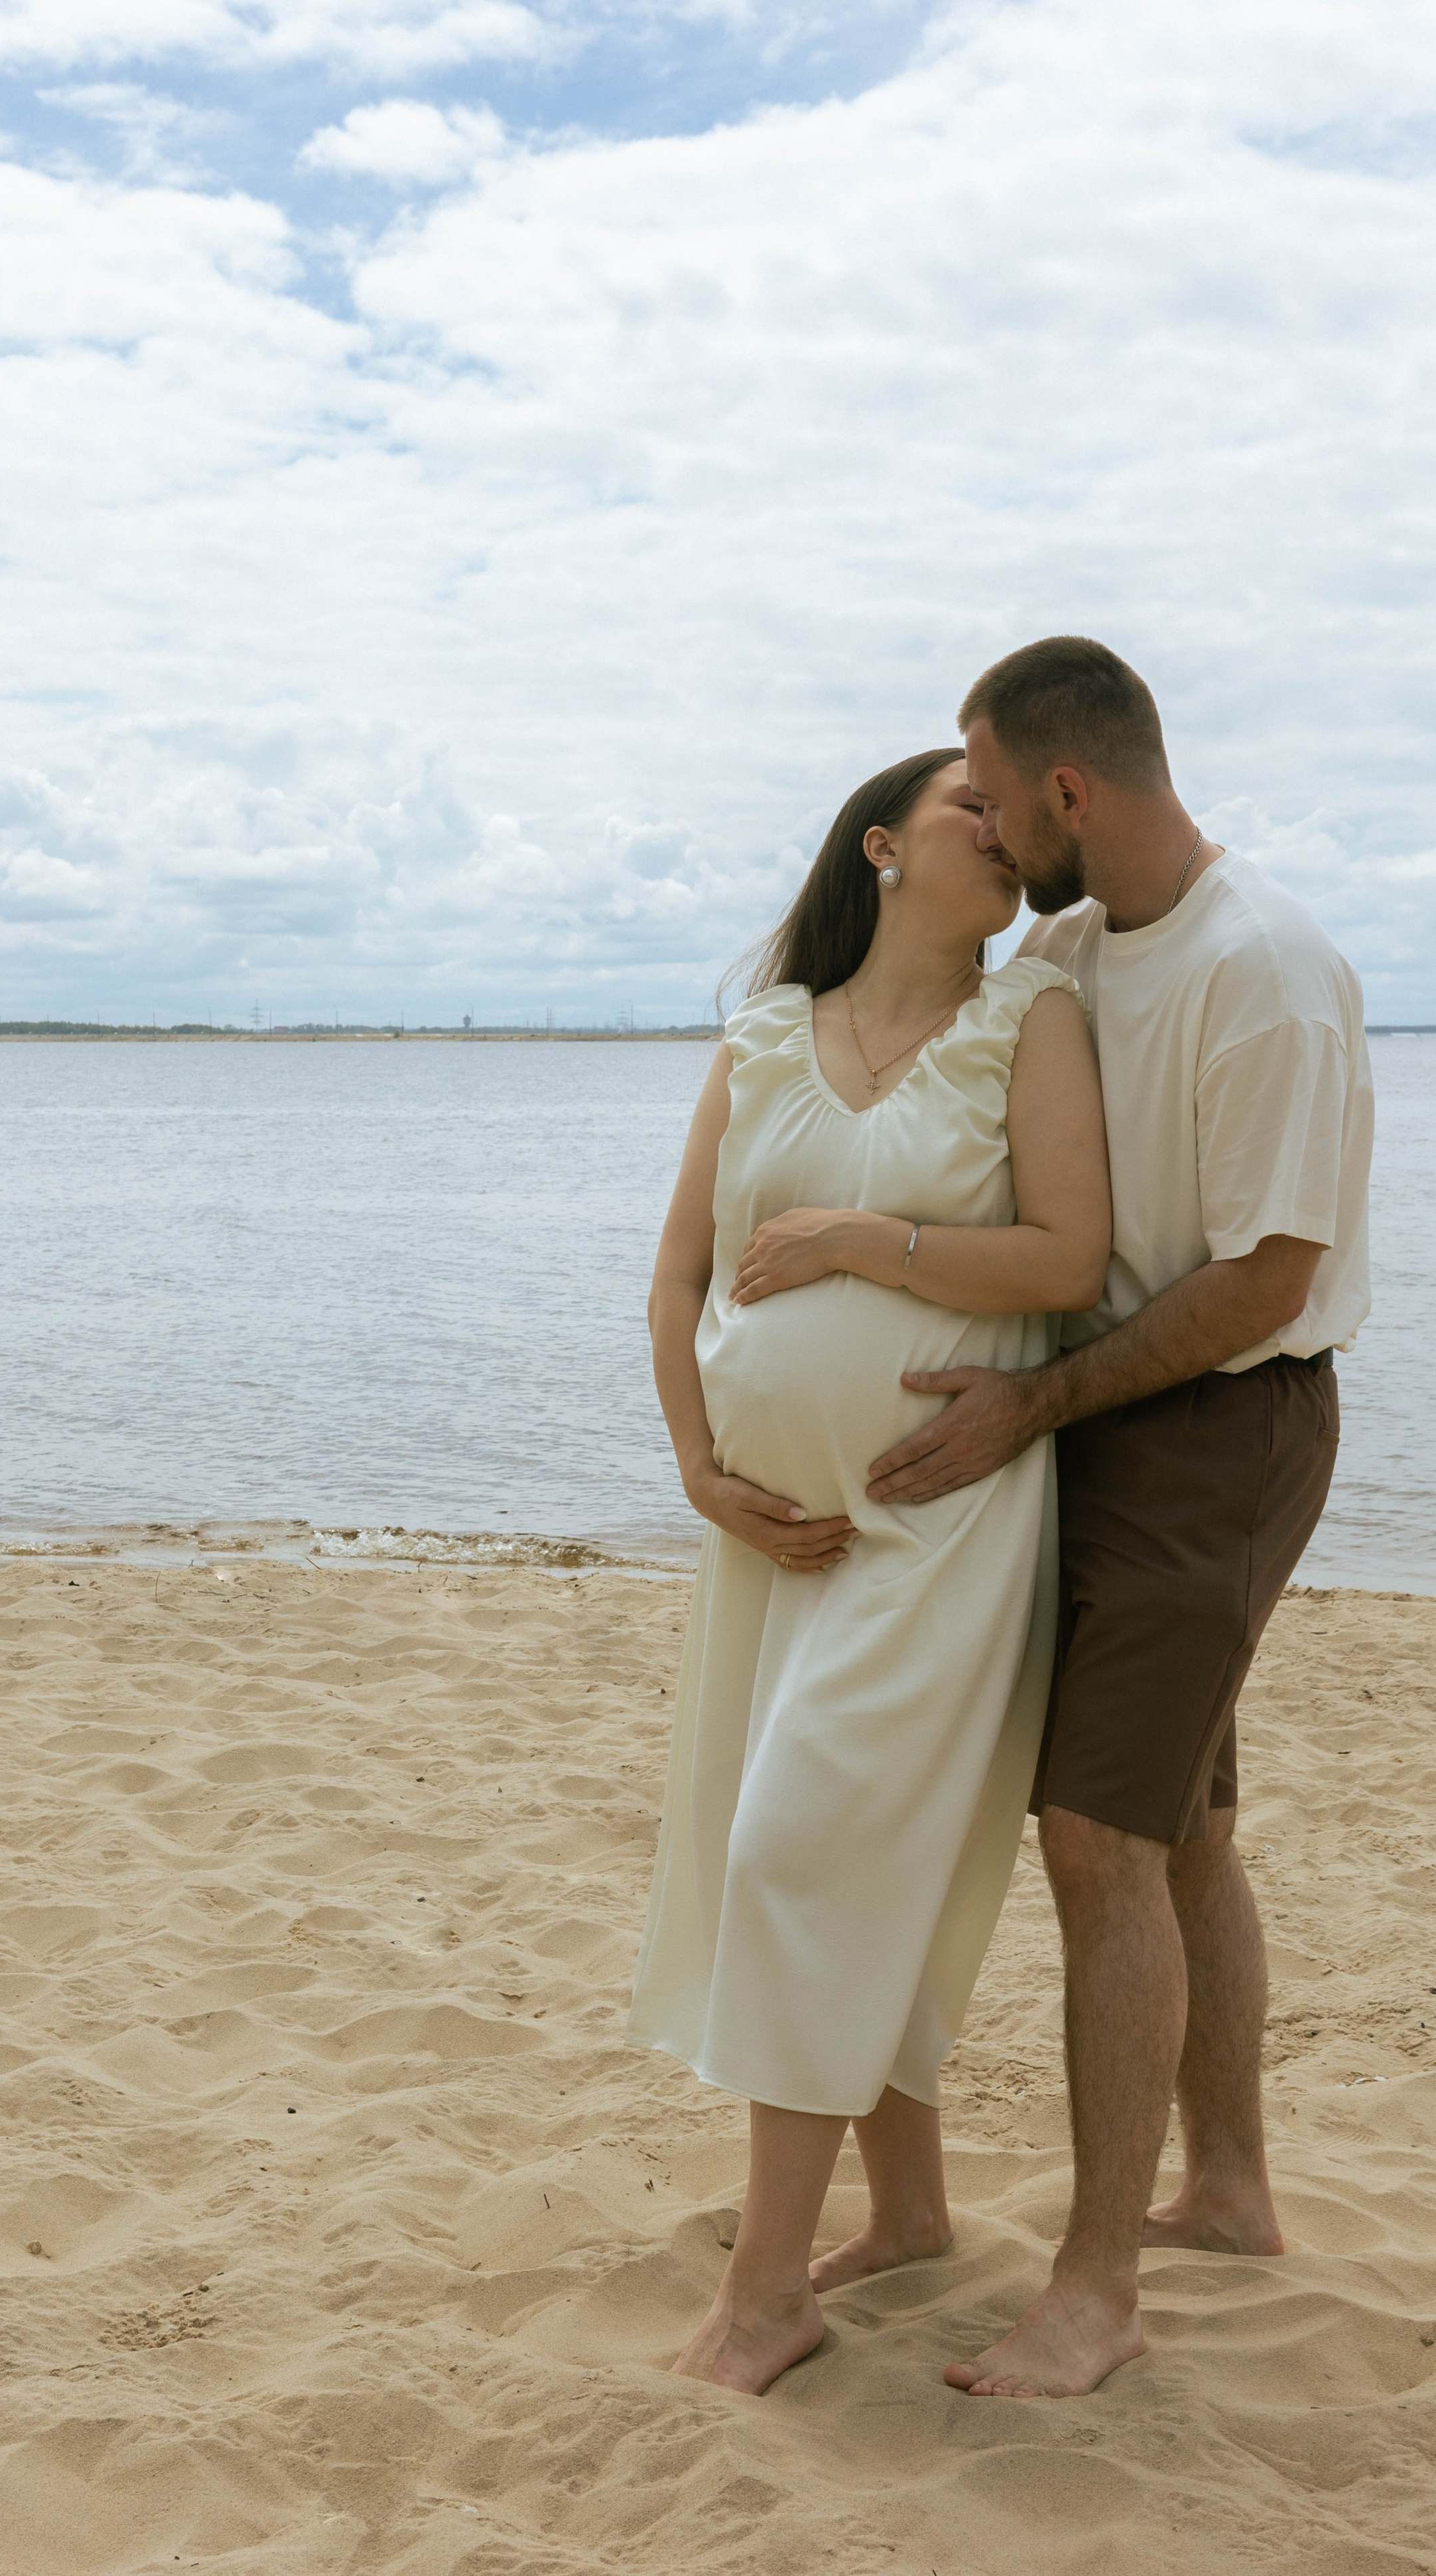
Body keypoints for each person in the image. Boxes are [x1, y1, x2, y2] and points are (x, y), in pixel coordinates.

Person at [863, 637, 1372, 2400]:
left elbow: (1266, 1281)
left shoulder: (1272, 972)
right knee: (1183, 1832)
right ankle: (1229, 2193)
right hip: (1109, 1420)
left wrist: (1036, 1404)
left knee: (1095, 1844)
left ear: (1071, 789)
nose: (993, 839)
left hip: (1222, 1430)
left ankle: (1095, 2287)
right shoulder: (1074, 952)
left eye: (997, 800)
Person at [625, 746, 1113, 2395]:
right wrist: (702, 1476)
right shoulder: (763, 1035)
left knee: (801, 1849)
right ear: (881, 846)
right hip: (777, 1540)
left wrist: (853, 1242)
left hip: (941, 1523)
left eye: (1020, 815)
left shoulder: (1027, 1023)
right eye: (975, 809)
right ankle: (906, 2215)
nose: (1014, 832)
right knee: (850, 1864)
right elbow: (676, 1280)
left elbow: (1065, 1254)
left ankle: (765, 2298)